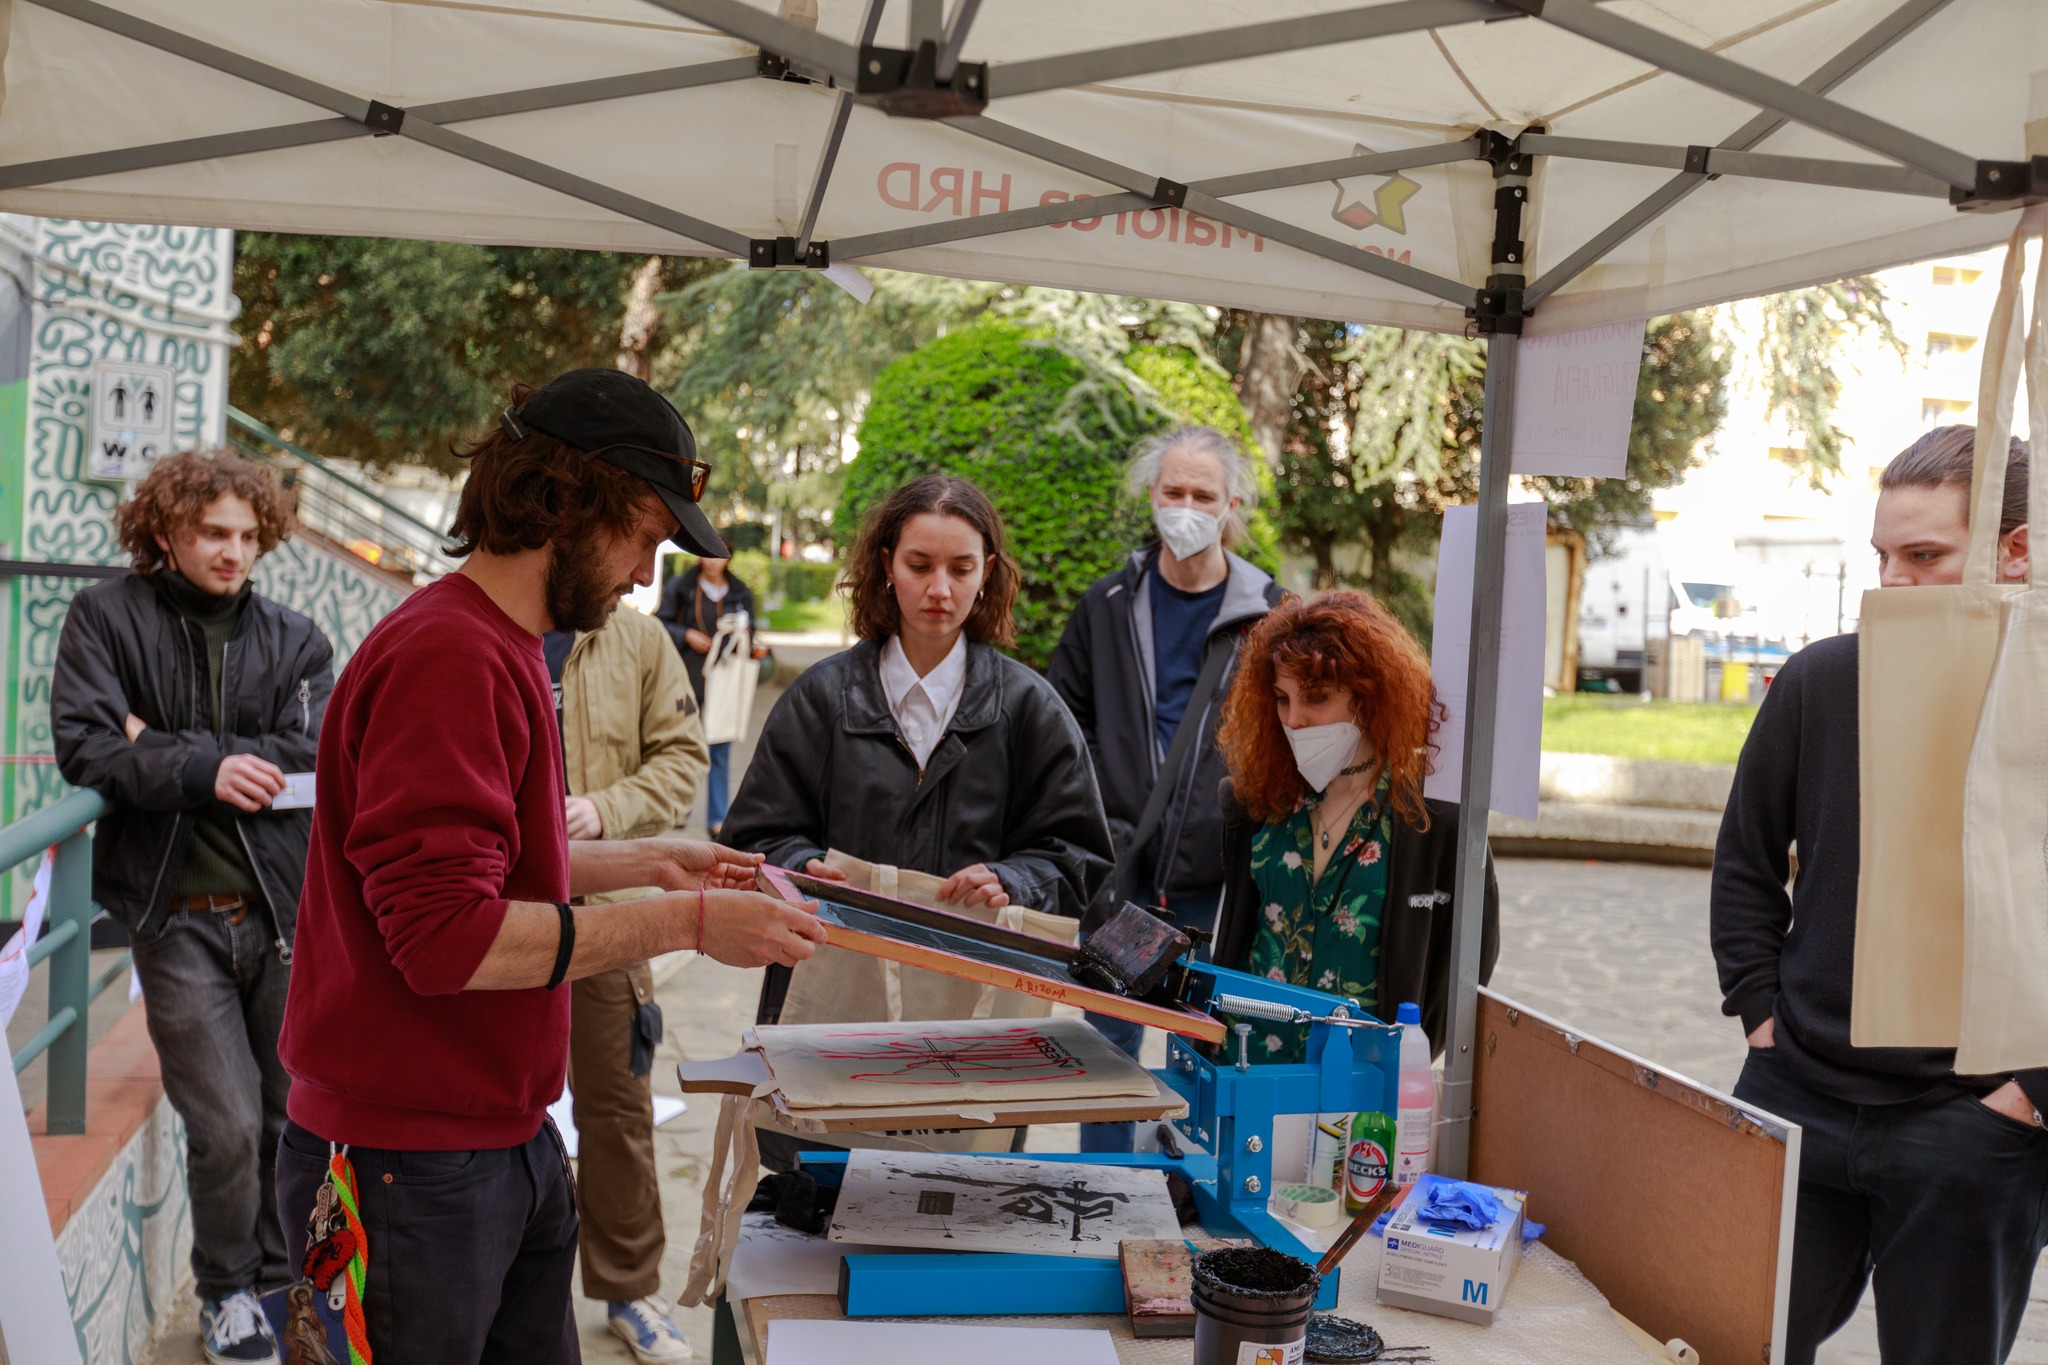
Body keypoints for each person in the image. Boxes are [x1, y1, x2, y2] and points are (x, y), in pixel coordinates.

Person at [273, 368, 827, 1365]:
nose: (643, 576)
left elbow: (484, 866)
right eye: (646, 537)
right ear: (565, 500)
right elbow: (446, 938)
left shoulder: (498, 641)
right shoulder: (451, 654)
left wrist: (652, 860)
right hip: (405, 1165)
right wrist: (690, 921)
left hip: (491, 1140)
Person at [1712, 424, 2048, 1365]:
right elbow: (1745, 858)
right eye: (1882, 556)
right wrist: (1759, 1017)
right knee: (1730, 1339)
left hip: (1974, 1128)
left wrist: (2027, 1097)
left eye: (1924, 556)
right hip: (1797, 1094)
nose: (1891, 583)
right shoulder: (1823, 679)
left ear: (2017, 550)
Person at [52, 450, 334, 1365]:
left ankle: (274, 1281)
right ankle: (225, 1294)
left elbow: (307, 757)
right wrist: (207, 766)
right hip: (175, 915)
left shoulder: (297, 638)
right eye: (214, 532)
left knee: (290, 1114)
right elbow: (87, 746)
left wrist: (158, 742)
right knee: (224, 1123)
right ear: (167, 529)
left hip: (281, 912)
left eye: (249, 536)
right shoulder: (105, 616)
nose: (233, 552)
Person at [720, 473, 1114, 1026]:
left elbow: (1080, 856)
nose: (940, 590)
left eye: (961, 569)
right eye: (919, 565)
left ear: (987, 574)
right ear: (886, 565)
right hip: (831, 987)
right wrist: (798, 866)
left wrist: (1014, 879)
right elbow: (752, 838)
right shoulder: (822, 698)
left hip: (975, 1001)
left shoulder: (1030, 709)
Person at [1048, 426, 1285, 1149]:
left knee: (1202, 1061)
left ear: (1230, 505)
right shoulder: (1107, 604)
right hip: (1119, 877)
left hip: (1217, 883)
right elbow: (1067, 723)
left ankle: (1188, 1206)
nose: (1186, 506)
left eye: (1202, 494)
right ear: (1151, 498)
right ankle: (1109, 1195)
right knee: (1105, 1063)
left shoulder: (1270, 613)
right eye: (1172, 491)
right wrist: (1099, 817)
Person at [1210, 590, 1499, 1058]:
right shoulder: (1256, 803)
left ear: (1368, 695)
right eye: (1282, 699)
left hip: (1363, 1093)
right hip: (1247, 1071)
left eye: (1317, 697)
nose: (1294, 720)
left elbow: (1471, 965)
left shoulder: (1435, 816)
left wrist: (1411, 1063)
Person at [546, 603, 708, 1363]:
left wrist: (604, 810)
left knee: (617, 1104)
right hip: (488, 911)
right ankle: (504, 1291)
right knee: (484, 1111)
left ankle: (628, 1287)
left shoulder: (637, 636)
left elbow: (683, 759)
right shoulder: (475, 624)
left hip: (607, 914)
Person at [657, 548, 763, 837]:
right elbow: (660, 622)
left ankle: (717, 816)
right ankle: (680, 807)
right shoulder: (682, 586)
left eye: (720, 555)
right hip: (687, 676)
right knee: (683, 742)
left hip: (726, 681)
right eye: (708, 554)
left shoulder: (740, 592)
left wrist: (747, 640)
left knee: (720, 746)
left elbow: (751, 630)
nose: (713, 561)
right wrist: (686, 635)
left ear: (729, 558)